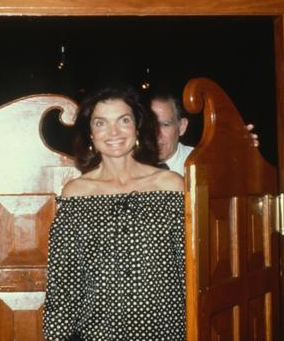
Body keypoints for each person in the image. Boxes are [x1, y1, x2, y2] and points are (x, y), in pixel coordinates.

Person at [43, 86, 186, 340]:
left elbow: (189, 269)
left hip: (167, 330)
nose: (114, 132)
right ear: (91, 134)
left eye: (124, 120)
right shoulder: (76, 194)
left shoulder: (171, 185)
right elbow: (64, 284)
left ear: (138, 127)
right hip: (98, 333)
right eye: (101, 123)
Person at [150, 93, 259, 176]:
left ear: (182, 127)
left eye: (165, 124)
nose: (156, 134)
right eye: (150, 125)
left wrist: (240, 157)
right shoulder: (133, 164)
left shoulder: (202, 162)